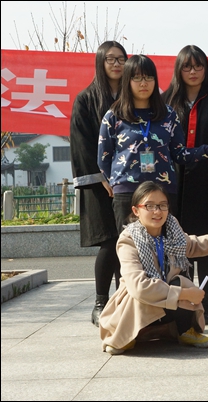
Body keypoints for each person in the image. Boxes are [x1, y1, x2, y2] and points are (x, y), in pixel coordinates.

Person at [99, 181, 208, 355]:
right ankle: (127, 334)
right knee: (146, 292)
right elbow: (139, 287)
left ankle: (184, 330)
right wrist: (184, 294)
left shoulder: (172, 232)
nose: (157, 211)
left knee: (180, 281)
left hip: (165, 304)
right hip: (140, 305)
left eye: (162, 205)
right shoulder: (128, 240)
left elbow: (195, 245)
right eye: (149, 206)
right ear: (136, 210)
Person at [97, 54, 208, 243]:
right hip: (128, 192)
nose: (143, 83)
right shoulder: (114, 115)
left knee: (165, 246)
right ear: (127, 80)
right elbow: (104, 157)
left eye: (148, 77)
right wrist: (115, 182)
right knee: (130, 247)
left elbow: (180, 154)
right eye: (137, 78)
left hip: (162, 192)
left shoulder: (168, 114)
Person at [162, 45, 208, 325]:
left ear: (206, 69)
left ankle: (206, 301)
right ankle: (184, 301)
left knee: (206, 244)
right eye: (187, 67)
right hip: (174, 183)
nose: (193, 72)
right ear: (178, 70)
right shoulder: (166, 101)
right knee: (178, 244)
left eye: (198, 66)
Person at [70, 41, 128, 327]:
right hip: (100, 184)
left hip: (129, 182)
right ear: (100, 62)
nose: (116, 64)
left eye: (121, 59)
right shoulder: (86, 99)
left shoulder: (133, 96)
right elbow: (81, 143)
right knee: (110, 241)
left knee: (129, 242)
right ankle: (100, 303)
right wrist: (101, 176)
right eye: (110, 59)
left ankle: (125, 301)